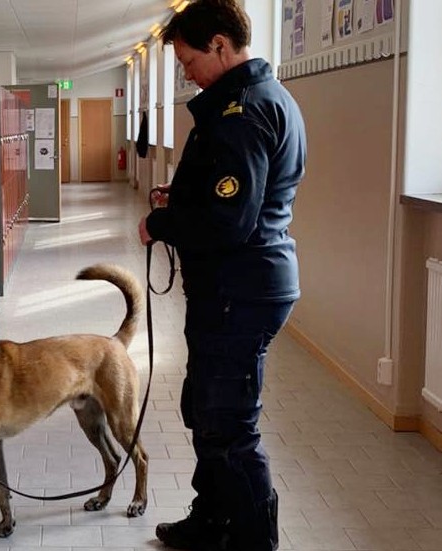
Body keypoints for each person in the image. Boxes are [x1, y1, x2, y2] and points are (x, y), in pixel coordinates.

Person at [138, 1, 306, 550]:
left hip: (242, 287)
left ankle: (255, 540)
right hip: (234, 287)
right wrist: (181, 196)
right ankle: (213, 519)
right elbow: (226, 195)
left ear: (219, 44)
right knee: (206, 410)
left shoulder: (246, 110)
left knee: (231, 426)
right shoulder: (249, 101)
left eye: (189, 59)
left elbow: (230, 220)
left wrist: (161, 221)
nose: (186, 71)